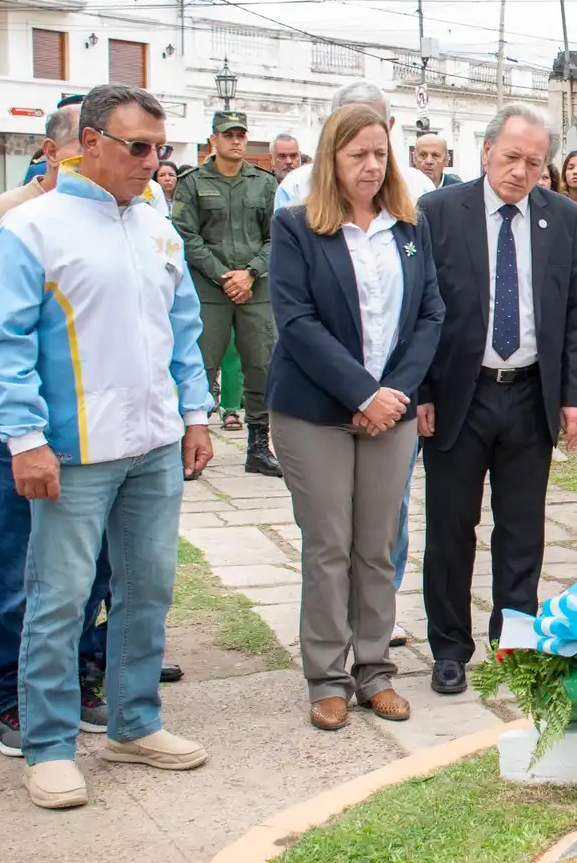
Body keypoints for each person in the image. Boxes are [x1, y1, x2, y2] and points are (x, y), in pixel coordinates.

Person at [0, 83, 213, 809]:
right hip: (71, 452)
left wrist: (194, 415)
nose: (152, 162)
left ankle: (135, 722)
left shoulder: (157, 226)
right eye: (138, 147)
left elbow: (183, 332)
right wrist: (26, 441)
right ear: (91, 143)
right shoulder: (32, 228)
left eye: (159, 149)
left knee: (147, 590)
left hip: (154, 445)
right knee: (59, 596)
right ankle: (46, 743)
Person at [0, 102, 113, 757]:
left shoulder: (115, 219)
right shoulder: (4, 218)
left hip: (98, 436)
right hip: (22, 432)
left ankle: (80, 677)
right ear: (54, 151)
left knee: (94, 569)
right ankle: (6, 701)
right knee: (18, 572)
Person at [267, 104, 444, 730]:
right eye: (356, 155)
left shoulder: (407, 227)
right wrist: (362, 394)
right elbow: (297, 322)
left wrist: (392, 392)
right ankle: (326, 677)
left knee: (378, 545)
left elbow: (429, 316)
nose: (371, 166)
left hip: (389, 414)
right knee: (329, 546)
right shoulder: (296, 228)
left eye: (379, 154)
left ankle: (374, 670)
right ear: (330, 160)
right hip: (315, 412)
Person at [416, 104, 577, 695]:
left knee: (522, 528)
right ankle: (448, 646)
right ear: (487, 150)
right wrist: (420, 391)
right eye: (511, 157)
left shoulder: (562, 218)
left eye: (534, 162)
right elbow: (420, 308)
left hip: (529, 395)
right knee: (450, 526)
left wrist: (574, 398)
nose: (520, 171)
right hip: (458, 396)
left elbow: (573, 314)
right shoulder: (440, 212)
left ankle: (514, 637)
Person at [171, 111, 281, 479]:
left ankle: (258, 446)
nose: (235, 140)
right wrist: (223, 275)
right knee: (202, 364)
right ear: (213, 141)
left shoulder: (263, 184)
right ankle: (192, 441)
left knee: (261, 366)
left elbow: (275, 236)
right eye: (227, 134)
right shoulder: (193, 183)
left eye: (240, 134)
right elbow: (186, 235)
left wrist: (249, 273)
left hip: (256, 288)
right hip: (210, 289)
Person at [276, 82, 435, 207]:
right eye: (351, 125)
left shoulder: (419, 188)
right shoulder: (296, 187)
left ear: (390, 125)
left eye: (373, 122)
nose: (363, 133)